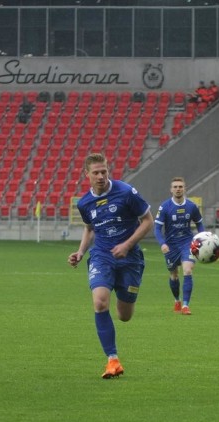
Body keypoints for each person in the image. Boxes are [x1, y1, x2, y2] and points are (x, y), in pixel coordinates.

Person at [68, 153, 154, 379]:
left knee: (125, 315)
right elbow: (89, 228)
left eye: (104, 171)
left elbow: (148, 221)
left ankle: (122, 289)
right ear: (86, 175)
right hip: (102, 256)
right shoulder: (85, 202)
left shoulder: (126, 192)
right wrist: (80, 252)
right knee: (99, 302)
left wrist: (127, 244)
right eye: (95, 172)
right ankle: (112, 360)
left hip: (130, 258)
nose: (100, 176)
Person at [154, 176, 205, 316]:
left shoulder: (191, 206)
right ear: (171, 189)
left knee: (187, 270)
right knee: (174, 275)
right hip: (170, 245)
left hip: (187, 243)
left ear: (184, 188)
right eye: (175, 187)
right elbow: (157, 228)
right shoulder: (165, 207)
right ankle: (177, 300)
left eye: (180, 186)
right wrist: (162, 243)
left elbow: (199, 223)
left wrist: (203, 238)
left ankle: (185, 306)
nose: (178, 189)